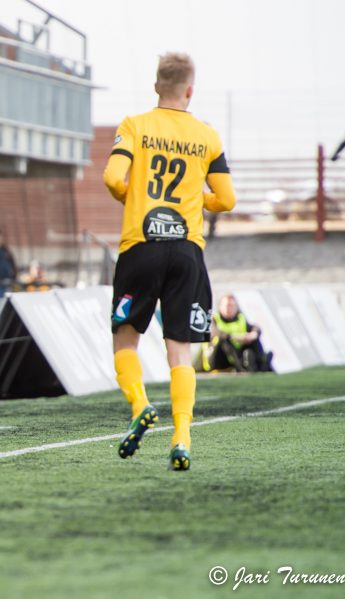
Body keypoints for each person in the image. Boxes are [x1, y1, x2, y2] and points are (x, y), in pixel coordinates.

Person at [103, 53, 237, 471]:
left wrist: (136, 199)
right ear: (190, 90)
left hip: (141, 243)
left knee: (126, 337)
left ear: (156, 86)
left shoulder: (135, 125)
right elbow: (228, 200)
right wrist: (197, 202)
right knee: (179, 352)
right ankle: (182, 436)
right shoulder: (207, 137)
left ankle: (140, 404)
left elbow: (112, 178)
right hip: (186, 250)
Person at [207, 295, 273, 373]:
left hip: (236, 353)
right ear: (220, 306)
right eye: (227, 305)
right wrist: (234, 337)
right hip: (218, 359)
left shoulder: (240, 318)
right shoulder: (214, 319)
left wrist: (253, 334)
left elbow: (254, 328)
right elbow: (215, 332)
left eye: (232, 306)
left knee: (254, 339)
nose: (229, 308)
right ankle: (242, 367)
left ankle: (261, 363)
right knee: (224, 340)